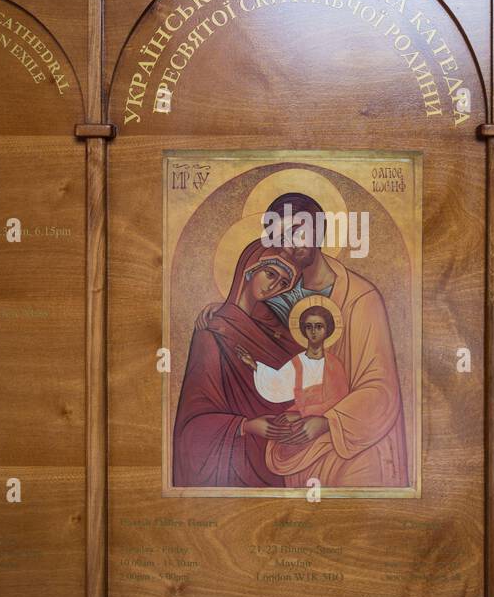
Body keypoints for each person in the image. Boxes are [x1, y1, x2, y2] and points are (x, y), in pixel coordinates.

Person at [197, 191, 410, 488]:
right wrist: (221, 312)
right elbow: (251, 322)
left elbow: (381, 388)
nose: (288, 243)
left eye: (297, 232)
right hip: (293, 442)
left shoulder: (360, 299)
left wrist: (328, 422)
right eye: (278, 236)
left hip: (350, 450)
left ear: (319, 231)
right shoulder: (276, 290)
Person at [171, 239, 301, 487]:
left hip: (279, 451)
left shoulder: (280, 331)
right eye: (270, 273)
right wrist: (246, 426)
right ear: (249, 270)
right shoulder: (212, 331)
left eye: (283, 283)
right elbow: (194, 417)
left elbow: (306, 375)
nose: (274, 286)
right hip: (236, 450)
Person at [235, 303, 350, 420]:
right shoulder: (298, 362)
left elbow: (340, 399)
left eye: (319, 326)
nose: (314, 331)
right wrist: (253, 364)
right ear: (304, 330)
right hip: (299, 417)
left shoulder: (334, 364)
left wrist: (303, 413)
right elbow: (277, 384)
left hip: (324, 420)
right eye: (309, 327)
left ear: (327, 330)